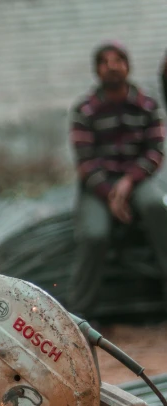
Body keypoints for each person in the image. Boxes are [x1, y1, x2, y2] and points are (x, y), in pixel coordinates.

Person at [68, 41, 167, 323]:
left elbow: (155, 151)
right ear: (97, 71)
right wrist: (111, 192)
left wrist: (127, 183)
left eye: (118, 60)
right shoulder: (85, 110)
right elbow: (85, 162)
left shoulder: (147, 105)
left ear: (128, 65)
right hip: (97, 188)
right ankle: (79, 315)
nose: (112, 66)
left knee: (158, 210)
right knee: (94, 234)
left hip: (137, 181)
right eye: (105, 62)